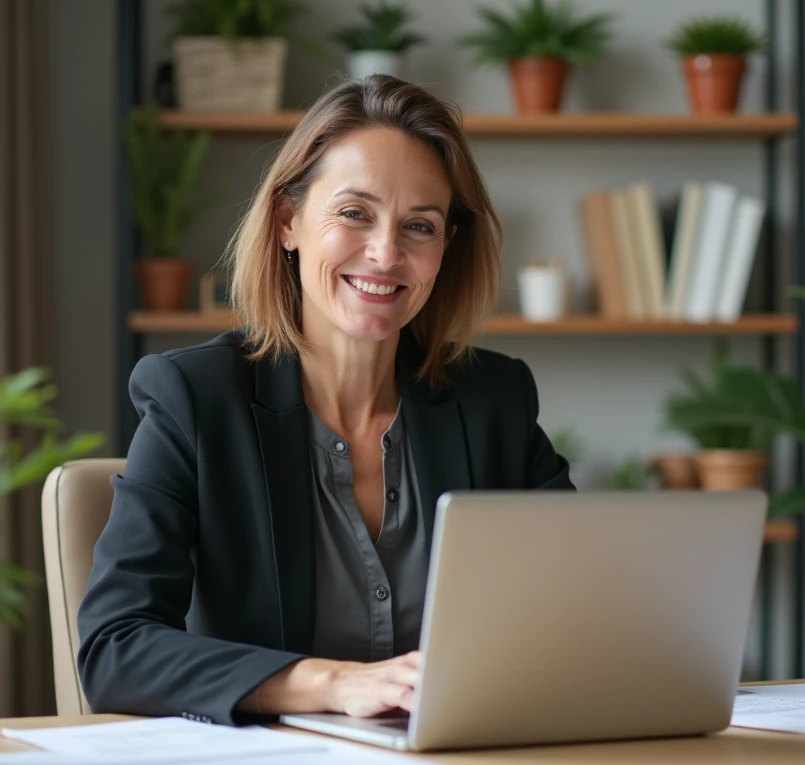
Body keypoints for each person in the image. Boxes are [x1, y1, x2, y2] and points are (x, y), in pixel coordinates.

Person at [77, 75, 574, 727]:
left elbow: (576, 612)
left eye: (418, 226)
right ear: (288, 222)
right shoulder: (196, 401)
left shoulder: (494, 402)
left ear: (446, 249)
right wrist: (333, 683)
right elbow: (115, 650)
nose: (386, 253)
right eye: (354, 213)